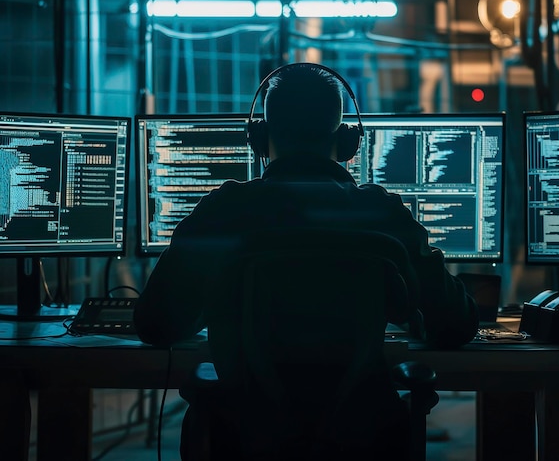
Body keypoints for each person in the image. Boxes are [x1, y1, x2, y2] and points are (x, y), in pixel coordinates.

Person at [134, 62, 479, 459]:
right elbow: (456, 324)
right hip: (360, 441)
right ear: (348, 142)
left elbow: (155, 324)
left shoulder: (223, 211)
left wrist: (214, 308)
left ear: (259, 138)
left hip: (246, 440)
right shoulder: (381, 213)